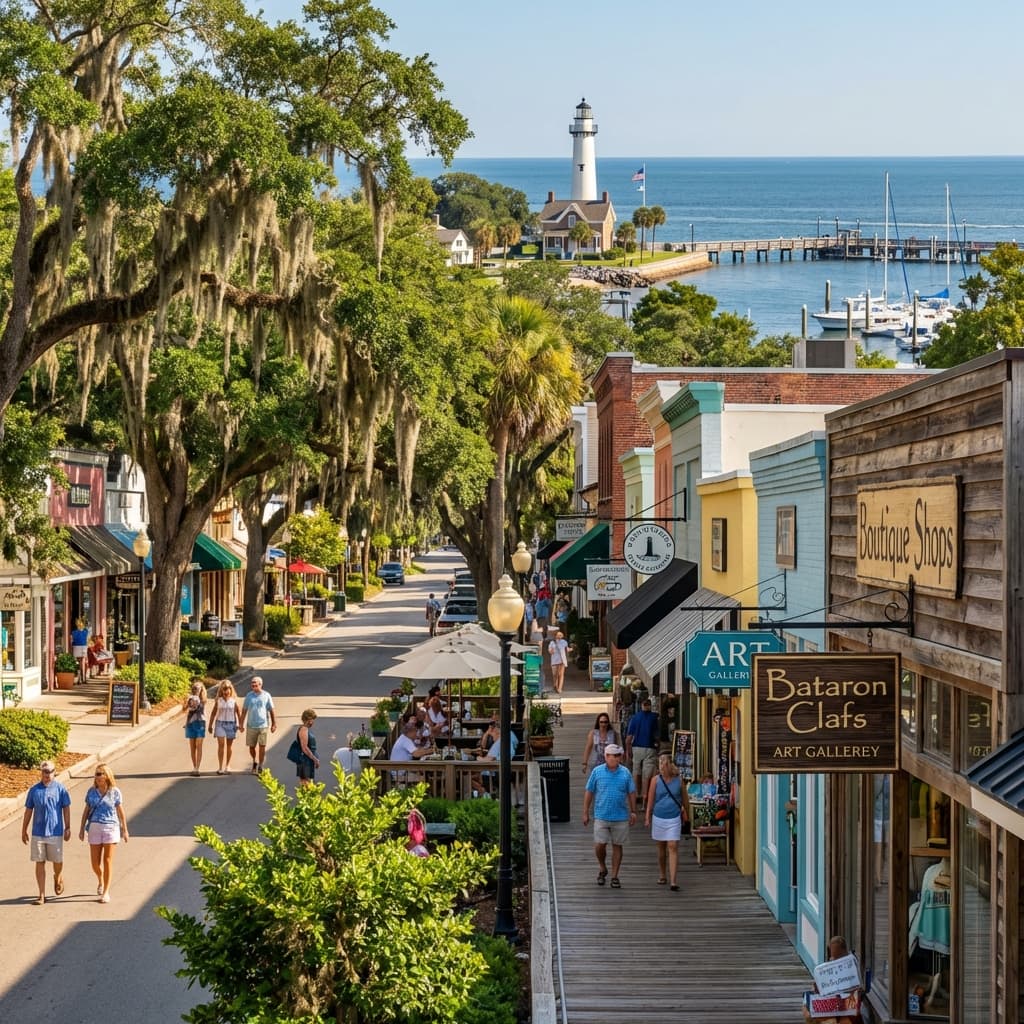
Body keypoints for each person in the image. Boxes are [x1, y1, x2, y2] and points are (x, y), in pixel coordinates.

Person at [582, 742, 637, 889]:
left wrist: (633, 811)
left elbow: (631, 792)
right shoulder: (597, 771)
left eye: (617, 756)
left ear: (620, 757)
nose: (614, 758)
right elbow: (589, 791)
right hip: (601, 814)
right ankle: (602, 867)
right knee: (600, 845)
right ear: (605, 756)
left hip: (620, 816)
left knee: (617, 845)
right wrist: (585, 811)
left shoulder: (625, 773)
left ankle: (614, 876)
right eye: (611, 756)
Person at [21, 761, 71, 905]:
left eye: (49, 772)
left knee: (57, 861)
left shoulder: (61, 789)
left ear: (54, 772)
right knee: (39, 862)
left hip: (55, 831)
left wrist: (68, 827)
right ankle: (41, 895)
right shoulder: (34, 790)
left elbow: (66, 808)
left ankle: (58, 875)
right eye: (44, 772)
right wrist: (24, 829)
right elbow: (28, 810)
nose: (47, 774)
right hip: (38, 832)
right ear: (41, 773)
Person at [79, 762, 128, 903]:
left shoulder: (115, 792)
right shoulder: (91, 792)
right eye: (96, 774)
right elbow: (86, 811)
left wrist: (125, 829)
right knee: (95, 863)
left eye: (101, 774)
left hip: (110, 827)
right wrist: (82, 828)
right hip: (94, 826)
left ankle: (106, 891)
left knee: (107, 860)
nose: (98, 776)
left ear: (107, 776)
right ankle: (100, 878)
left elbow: (120, 812)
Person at [645, 753, 689, 891]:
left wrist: (686, 813)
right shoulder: (655, 780)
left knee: (673, 846)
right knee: (661, 848)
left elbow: (684, 799)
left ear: (669, 765)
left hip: (674, 817)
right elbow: (650, 800)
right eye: (660, 764)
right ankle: (663, 874)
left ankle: (674, 881)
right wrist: (647, 816)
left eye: (663, 764)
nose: (661, 767)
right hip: (659, 816)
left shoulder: (679, 780)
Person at [802, 935, 863, 1024]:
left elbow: (857, 993)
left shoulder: (852, 966)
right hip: (830, 1003)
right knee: (808, 1012)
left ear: (844, 951)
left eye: (838, 957)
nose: (835, 959)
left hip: (847, 1005)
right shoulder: (828, 967)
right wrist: (817, 987)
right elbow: (819, 989)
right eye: (834, 957)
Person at [625, 697, 660, 808]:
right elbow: (657, 735)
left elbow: (629, 738)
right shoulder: (655, 718)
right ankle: (645, 799)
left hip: (637, 748)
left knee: (636, 772)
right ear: (650, 706)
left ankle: (635, 796)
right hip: (650, 748)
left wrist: (628, 751)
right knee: (647, 775)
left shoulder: (635, 718)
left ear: (641, 706)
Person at [469, 721, 519, 797]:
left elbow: (489, 759)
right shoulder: (510, 738)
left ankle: (484, 793)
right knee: (472, 775)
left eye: (492, 736)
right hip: (501, 770)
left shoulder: (499, 742)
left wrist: (478, 758)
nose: (492, 738)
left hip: (493, 772)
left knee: (468, 777)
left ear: (497, 732)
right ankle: (484, 793)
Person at [240, 675, 277, 774]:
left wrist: (274, 724)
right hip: (251, 725)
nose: (253, 686)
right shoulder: (249, 696)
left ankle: (260, 765)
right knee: (251, 747)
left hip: (263, 725)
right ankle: (254, 761)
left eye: (255, 684)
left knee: (262, 746)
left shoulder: (266, 695)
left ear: (260, 685)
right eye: (252, 685)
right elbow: (244, 711)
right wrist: (241, 724)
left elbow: (271, 710)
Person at [209, 680, 242, 774]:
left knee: (229, 746)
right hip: (220, 724)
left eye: (228, 689)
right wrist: (210, 725)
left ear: (231, 690)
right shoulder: (218, 701)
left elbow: (238, 714)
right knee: (221, 745)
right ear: (221, 690)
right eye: (224, 689)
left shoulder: (234, 701)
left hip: (231, 724)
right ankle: (220, 767)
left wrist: (240, 725)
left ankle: (227, 765)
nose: (226, 691)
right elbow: (213, 713)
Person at [182, 681, 207, 776]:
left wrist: (195, 699)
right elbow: (184, 710)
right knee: (192, 747)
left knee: (199, 745)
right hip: (190, 724)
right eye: (194, 688)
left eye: (198, 688)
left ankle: (197, 768)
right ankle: (194, 766)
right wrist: (187, 702)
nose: (195, 690)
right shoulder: (189, 698)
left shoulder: (203, 699)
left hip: (200, 723)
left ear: (201, 689)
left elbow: (199, 707)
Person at [293, 709, 320, 786]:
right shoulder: (303, 730)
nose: (313, 722)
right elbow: (304, 748)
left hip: (307, 760)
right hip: (305, 760)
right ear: (308, 720)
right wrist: (315, 759)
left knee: (307, 782)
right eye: (312, 719)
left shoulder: (305, 729)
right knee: (306, 783)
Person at [70, 618, 89, 684]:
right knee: (82, 663)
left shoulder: (73, 632)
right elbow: (87, 641)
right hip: (83, 646)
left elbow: (71, 641)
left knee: (79, 663)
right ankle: (82, 678)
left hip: (77, 647)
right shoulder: (85, 631)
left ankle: (80, 678)